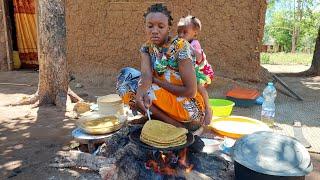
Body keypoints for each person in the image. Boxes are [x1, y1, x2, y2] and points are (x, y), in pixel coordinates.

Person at [116, 4, 205, 128]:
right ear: (145, 27)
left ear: (168, 28)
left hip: (189, 109)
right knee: (125, 77)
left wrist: (156, 83)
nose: (155, 31)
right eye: (150, 26)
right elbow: (146, 76)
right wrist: (139, 96)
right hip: (163, 99)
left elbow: (191, 91)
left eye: (161, 26)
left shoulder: (180, 46)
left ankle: (174, 124)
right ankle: (158, 118)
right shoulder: (146, 48)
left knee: (149, 90)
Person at [177, 15, 214, 125]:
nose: (181, 35)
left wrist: (188, 46)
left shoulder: (194, 43)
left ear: (195, 33)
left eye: (185, 33)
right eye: (179, 32)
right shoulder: (180, 42)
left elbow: (198, 57)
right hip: (191, 73)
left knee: (200, 89)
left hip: (202, 72)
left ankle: (208, 109)